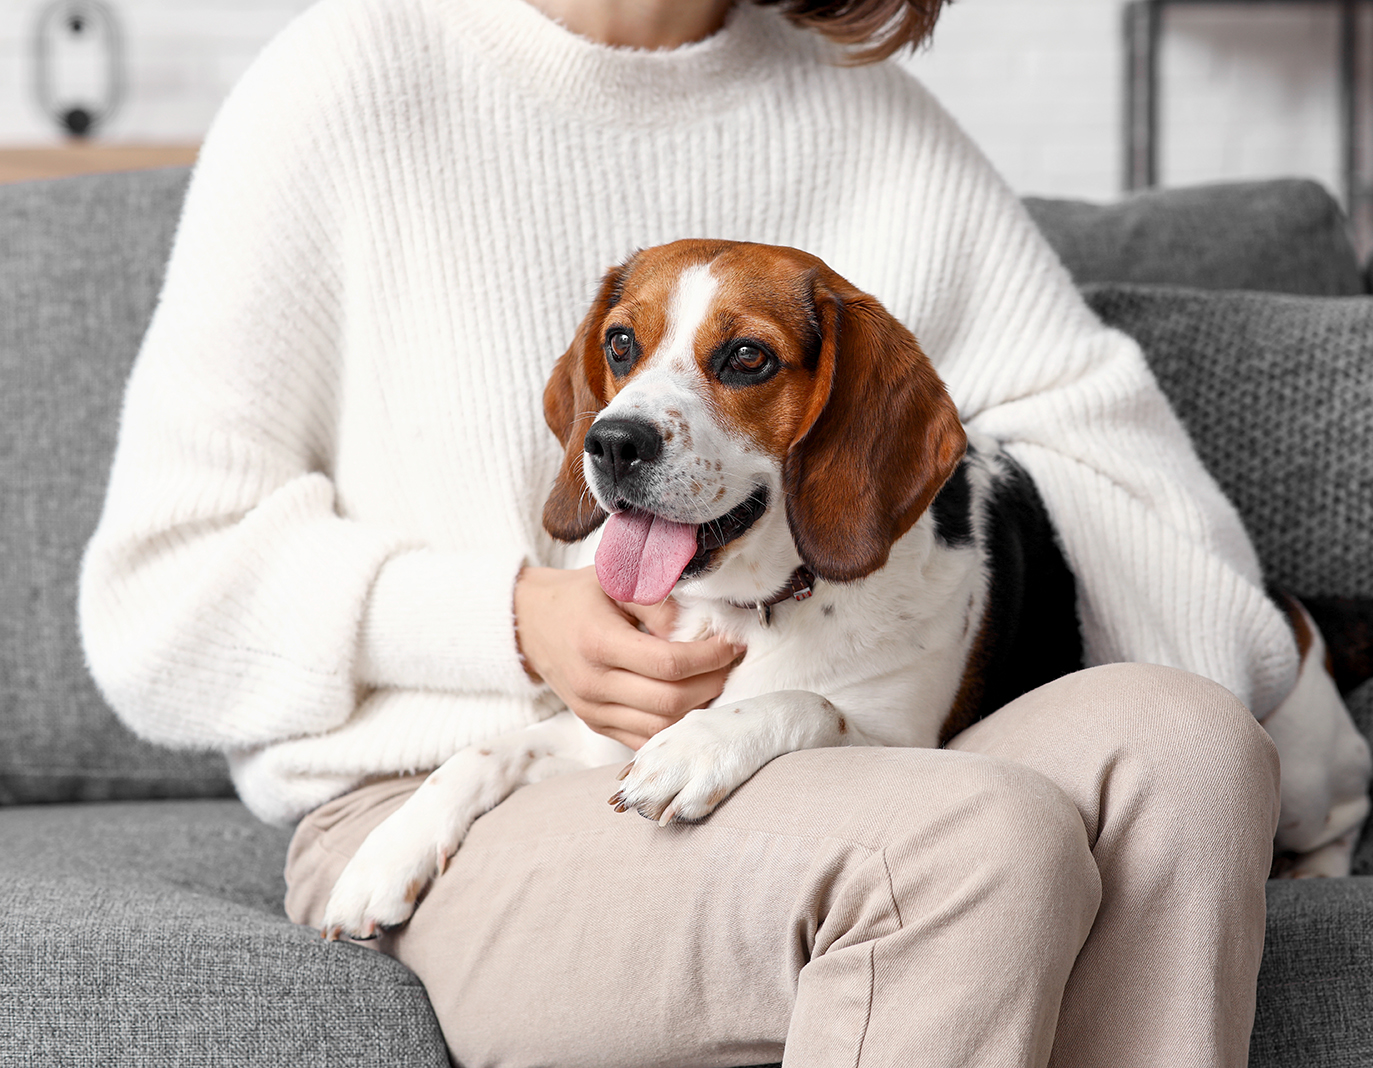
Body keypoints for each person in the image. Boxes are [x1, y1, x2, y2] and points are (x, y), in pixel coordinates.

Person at [79, 0, 1299, 1063]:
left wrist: (875, 537)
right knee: (978, 840)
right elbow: (156, 599)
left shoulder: (875, 122)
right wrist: (510, 622)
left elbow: (1169, 547)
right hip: (461, 809)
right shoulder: (347, 81)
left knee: (1191, 749)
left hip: (839, 744)